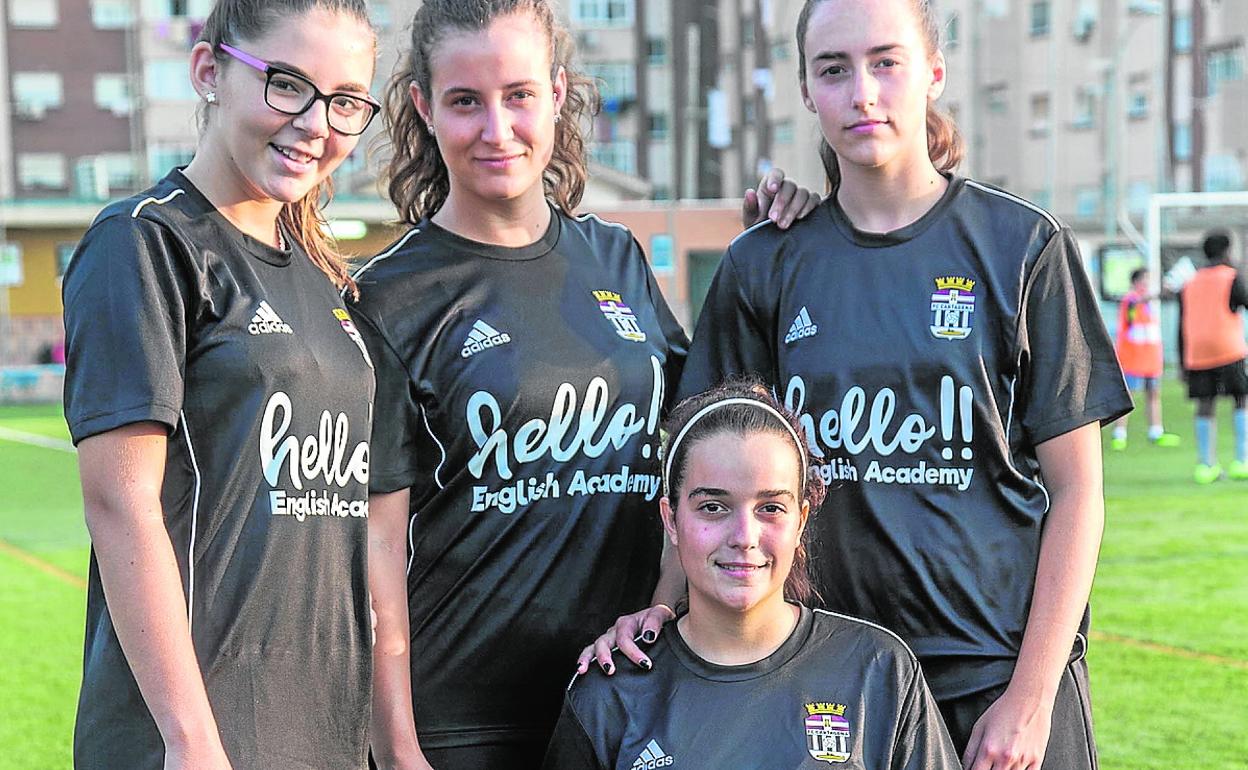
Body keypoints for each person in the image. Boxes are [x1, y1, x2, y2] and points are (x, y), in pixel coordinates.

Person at [581, 2, 1133, 769]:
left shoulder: (1024, 248)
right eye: (833, 69)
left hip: (995, 676)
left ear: (934, 71)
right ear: (807, 89)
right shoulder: (765, 263)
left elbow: (1078, 493)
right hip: (831, 683)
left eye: (886, 62)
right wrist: (662, 607)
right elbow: (702, 466)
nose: (861, 93)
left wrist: (1031, 698)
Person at [351, 2, 818, 768]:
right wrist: (398, 749)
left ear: (559, 94)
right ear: (423, 107)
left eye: (519, 95)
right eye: (466, 101)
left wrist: (788, 232)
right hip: (464, 724)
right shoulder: (387, 298)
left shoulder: (618, 260)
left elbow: (699, 449)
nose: (496, 129)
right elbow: (372, 551)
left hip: (628, 705)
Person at [61, 2, 380, 767]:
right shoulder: (144, 243)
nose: (316, 123)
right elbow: (120, 500)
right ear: (210, 71)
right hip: (198, 740)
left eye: (344, 102)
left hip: (320, 733)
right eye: (287, 85)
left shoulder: (322, 276)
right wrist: (190, 740)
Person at [542, 382, 961, 770]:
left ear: (801, 521)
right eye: (713, 507)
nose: (744, 536)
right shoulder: (610, 692)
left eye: (770, 508)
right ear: (671, 520)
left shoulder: (879, 670)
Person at [1178, 230, 1248, 483]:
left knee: (1205, 405)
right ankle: (1242, 461)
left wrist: (1183, 361)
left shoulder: (1190, 282)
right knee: (1241, 400)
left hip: (1198, 352)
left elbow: (1181, 322)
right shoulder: (1231, 277)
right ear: (1227, 251)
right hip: (1229, 347)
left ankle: (1206, 466)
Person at [1110, 268, 1179, 450]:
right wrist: (1159, 294)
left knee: (1154, 394)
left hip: (1150, 358)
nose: (1146, 284)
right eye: (1144, 280)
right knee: (1127, 396)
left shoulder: (1147, 306)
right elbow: (1135, 305)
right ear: (1135, 282)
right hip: (1133, 357)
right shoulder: (1130, 299)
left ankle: (1156, 431)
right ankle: (1119, 434)